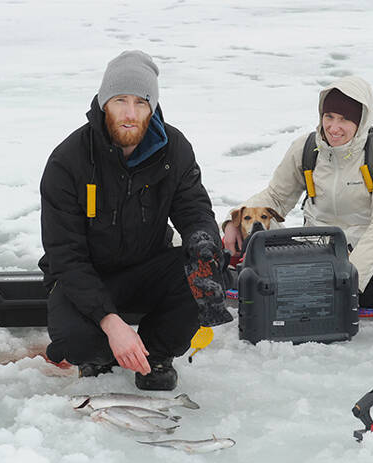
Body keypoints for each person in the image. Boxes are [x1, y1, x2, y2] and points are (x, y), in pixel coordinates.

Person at [39, 50, 231, 391]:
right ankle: (100, 359)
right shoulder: (68, 161)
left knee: (198, 268)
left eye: (141, 103)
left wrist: (204, 243)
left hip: (147, 267)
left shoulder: (175, 149)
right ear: (102, 103)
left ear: (153, 107)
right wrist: (112, 324)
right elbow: (65, 256)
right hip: (87, 275)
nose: (130, 114)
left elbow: (194, 211)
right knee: (75, 339)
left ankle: (154, 356)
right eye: (119, 101)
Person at [222, 76, 373, 307]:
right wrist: (234, 219)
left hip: (370, 252)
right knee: (261, 240)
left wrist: (349, 279)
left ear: (360, 122)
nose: (333, 127)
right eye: (329, 116)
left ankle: (319, 290)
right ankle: (357, 295)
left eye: (344, 119)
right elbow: (276, 197)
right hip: (317, 249)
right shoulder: (306, 147)